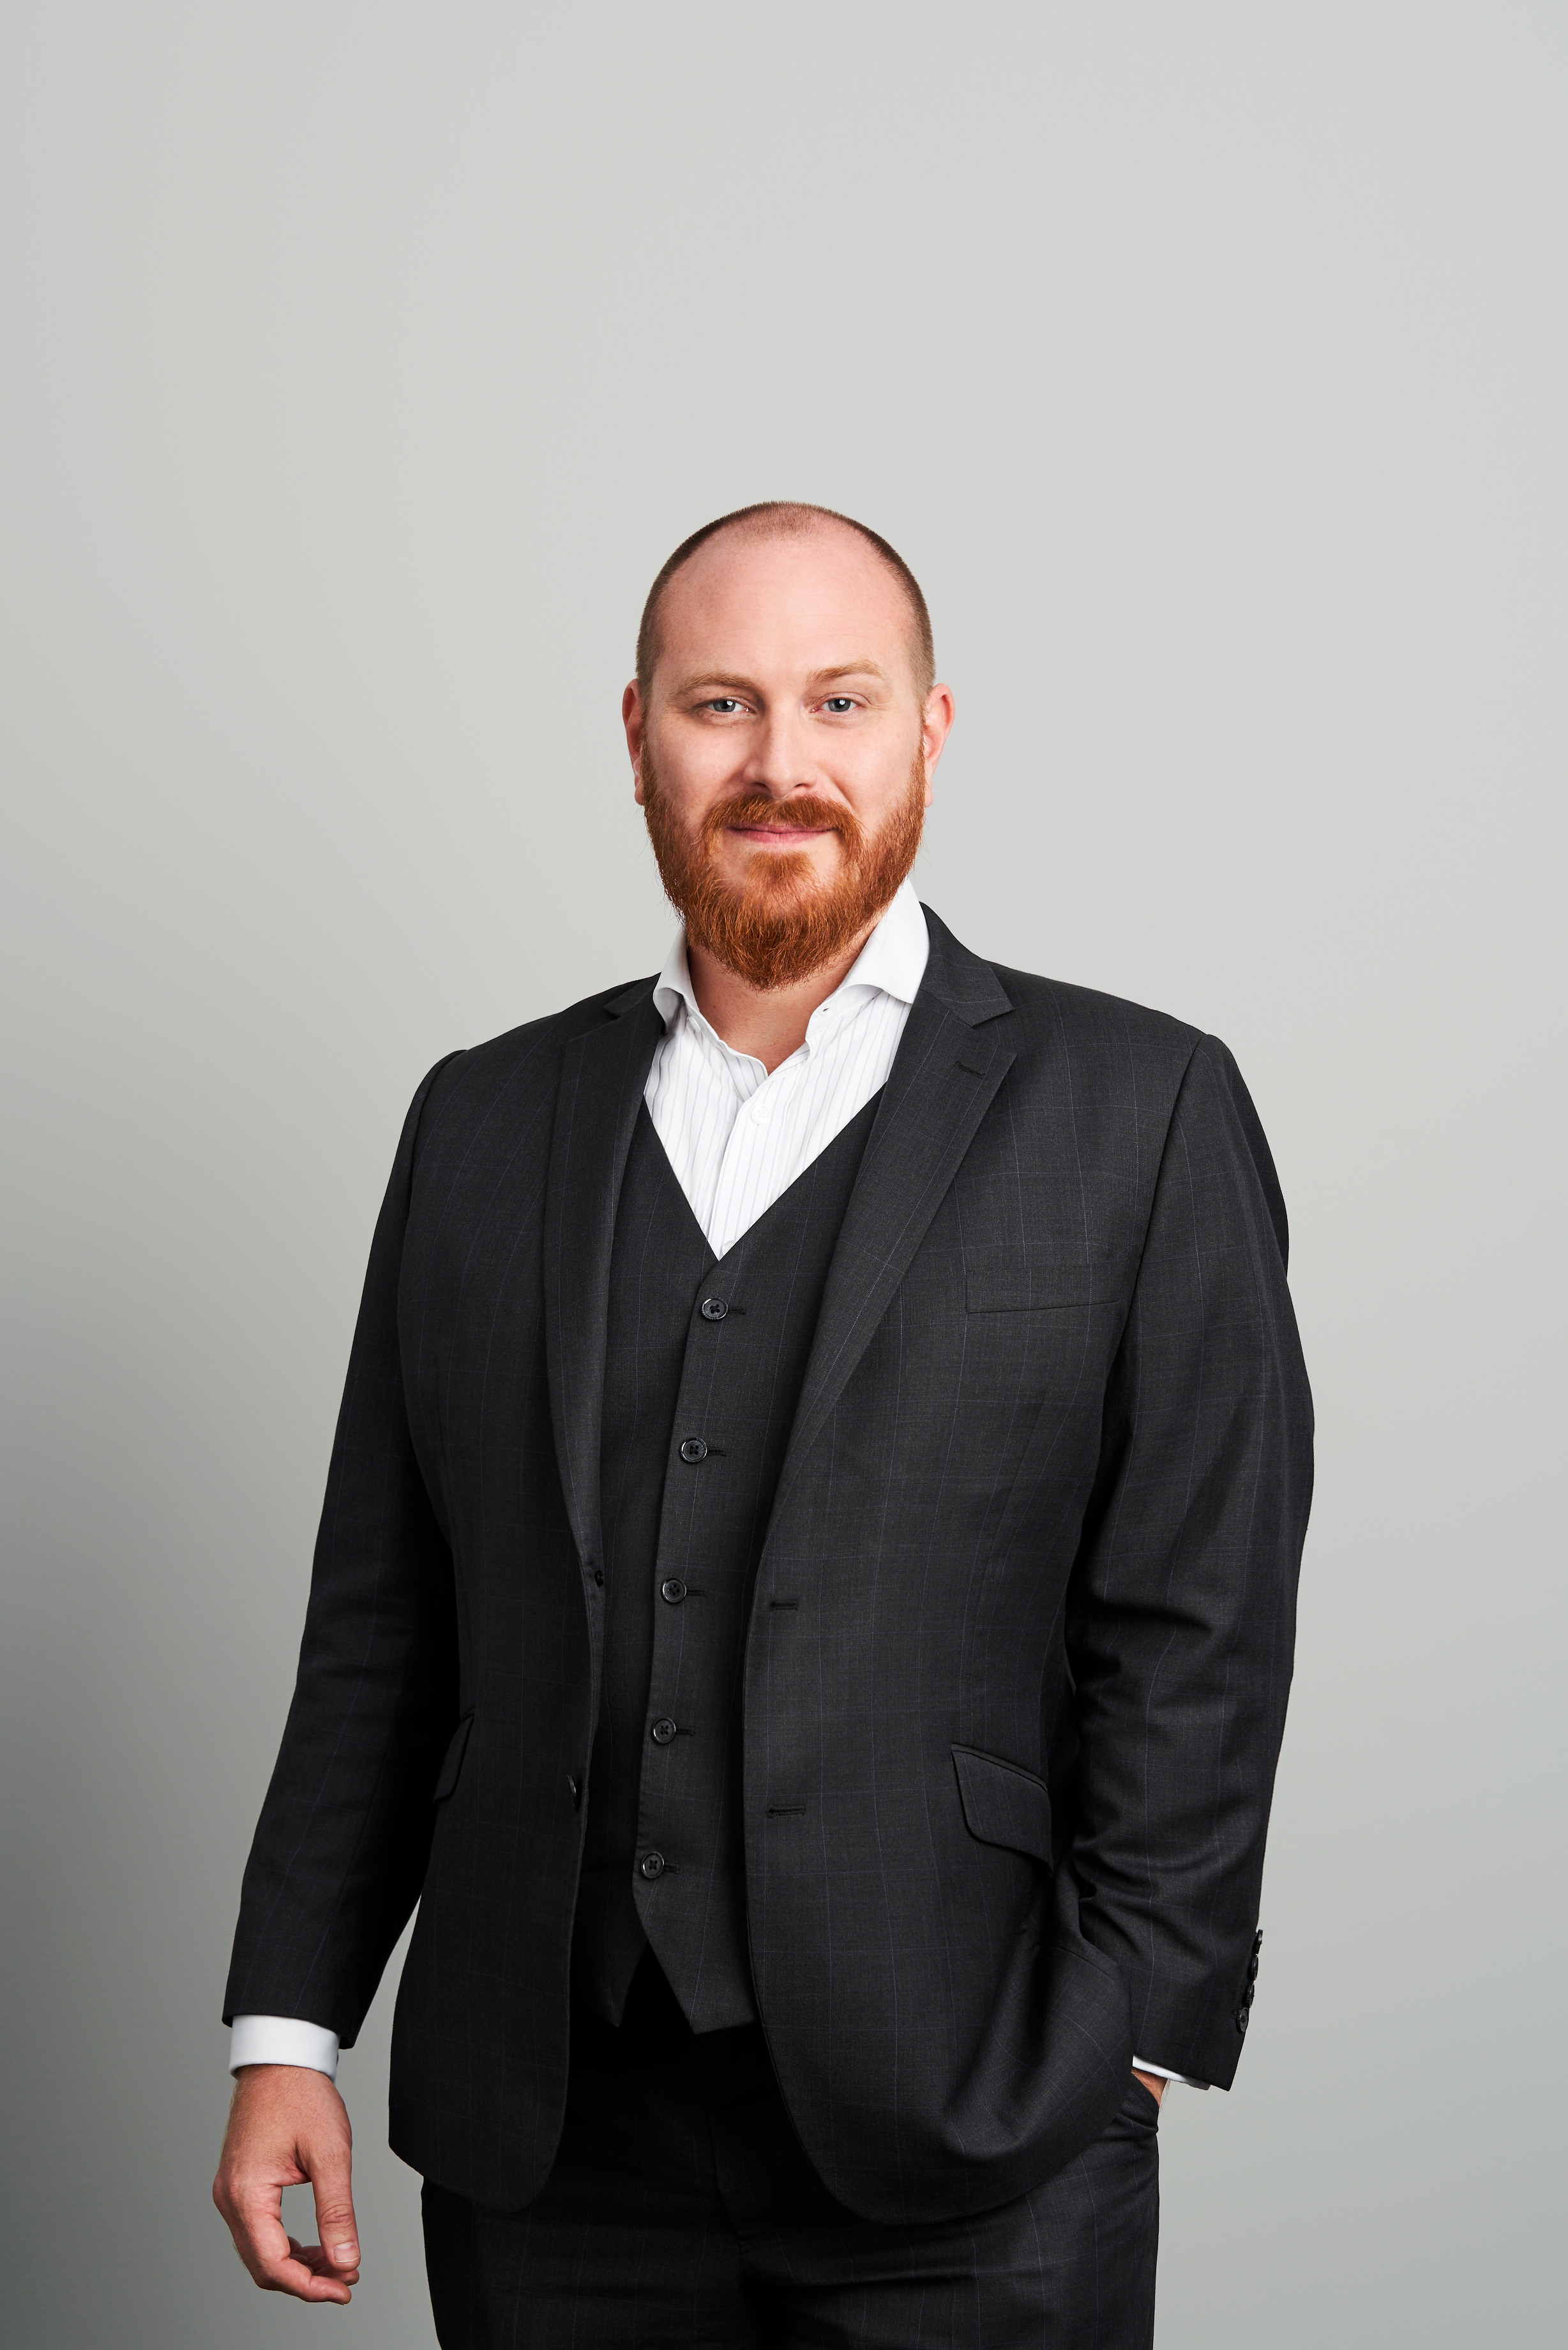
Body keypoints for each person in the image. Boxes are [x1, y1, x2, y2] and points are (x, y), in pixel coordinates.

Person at [213, 501, 1313, 2347]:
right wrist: (286, 2028)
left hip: (979, 2121)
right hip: (549, 2142)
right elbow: (383, 1623)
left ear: (930, 735)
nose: (780, 762)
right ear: (638, 734)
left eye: (840, 702)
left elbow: (1202, 1619)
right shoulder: (480, 1119)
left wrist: (1129, 2026)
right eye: (721, 703)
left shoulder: (1142, 1110)